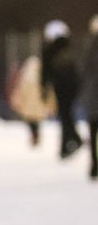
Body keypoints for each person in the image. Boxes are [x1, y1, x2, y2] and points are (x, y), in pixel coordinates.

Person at [41, 19, 82, 160]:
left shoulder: (49, 50)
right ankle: (70, 142)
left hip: (60, 87)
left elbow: (45, 72)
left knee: (65, 116)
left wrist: (44, 89)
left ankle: (70, 142)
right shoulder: (71, 48)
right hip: (72, 87)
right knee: (67, 115)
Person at [79, 15, 98, 181]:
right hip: (93, 96)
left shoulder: (90, 46)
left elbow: (84, 70)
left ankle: (94, 165)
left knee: (93, 133)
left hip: (93, 98)